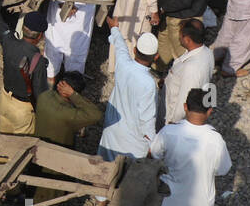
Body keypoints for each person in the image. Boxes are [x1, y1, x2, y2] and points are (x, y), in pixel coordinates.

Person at [148, 87, 232, 206]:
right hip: (200, 201)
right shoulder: (216, 140)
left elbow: (153, 155)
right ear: (210, 111)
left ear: (185, 107)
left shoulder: (169, 132)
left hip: (169, 195)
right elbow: (223, 169)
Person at [98, 23, 158, 161]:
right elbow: (147, 119)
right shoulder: (148, 84)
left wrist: (114, 28)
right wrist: (152, 144)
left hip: (112, 131)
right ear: (156, 57)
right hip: (133, 141)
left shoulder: (124, 64)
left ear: (135, 50)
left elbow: (121, 47)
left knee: (103, 170)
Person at [0, 6, 49, 134]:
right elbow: (40, 93)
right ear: (40, 35)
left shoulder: (9, 42)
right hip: (22, 110)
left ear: (23, 27)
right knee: (21, 148)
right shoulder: (38, 61)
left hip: (5, 100)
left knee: (3, 140)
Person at [163, 19, 214, 126]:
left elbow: (184, 102)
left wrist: (172, 124)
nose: (179, 38)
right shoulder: (207, 52)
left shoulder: (192, 68)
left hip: (171, 115)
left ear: (187, 40)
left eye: (180, 35)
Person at [33, 71, 102, 148]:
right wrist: (73, 95)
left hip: (38, 145)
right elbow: (96, 115)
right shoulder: (68, 114)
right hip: (59, 151)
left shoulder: (44, 96)